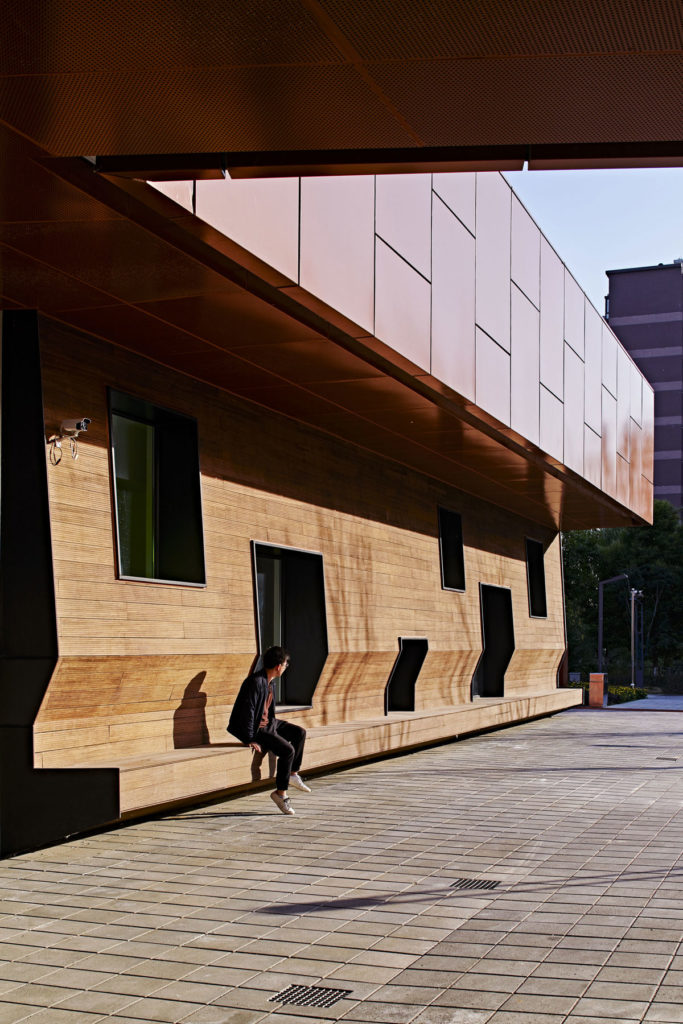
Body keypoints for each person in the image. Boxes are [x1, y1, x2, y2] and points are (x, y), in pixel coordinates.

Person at [227, 646, 310, 815]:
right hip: (259, 729)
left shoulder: (268, 682)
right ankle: (280, 794)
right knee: (288, 751)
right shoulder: (256, 682)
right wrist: (249, 738)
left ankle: (293, 773)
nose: (286, 667)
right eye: (286, 664)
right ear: (278, 666)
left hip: (269, 724)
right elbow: (247, 711)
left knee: (299, 733)